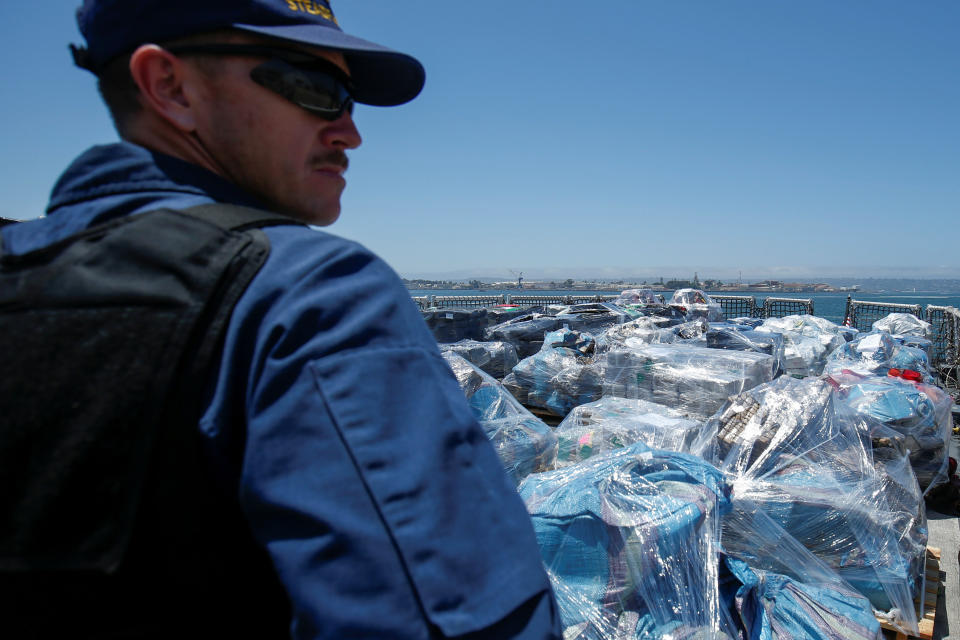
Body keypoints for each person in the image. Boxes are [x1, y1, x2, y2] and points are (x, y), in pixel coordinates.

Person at [0, 1, 561, 638]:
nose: (351, 132)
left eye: (350, 97)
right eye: (315, 88)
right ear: (169, 86)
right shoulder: (307, 295)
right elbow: (454, 618)